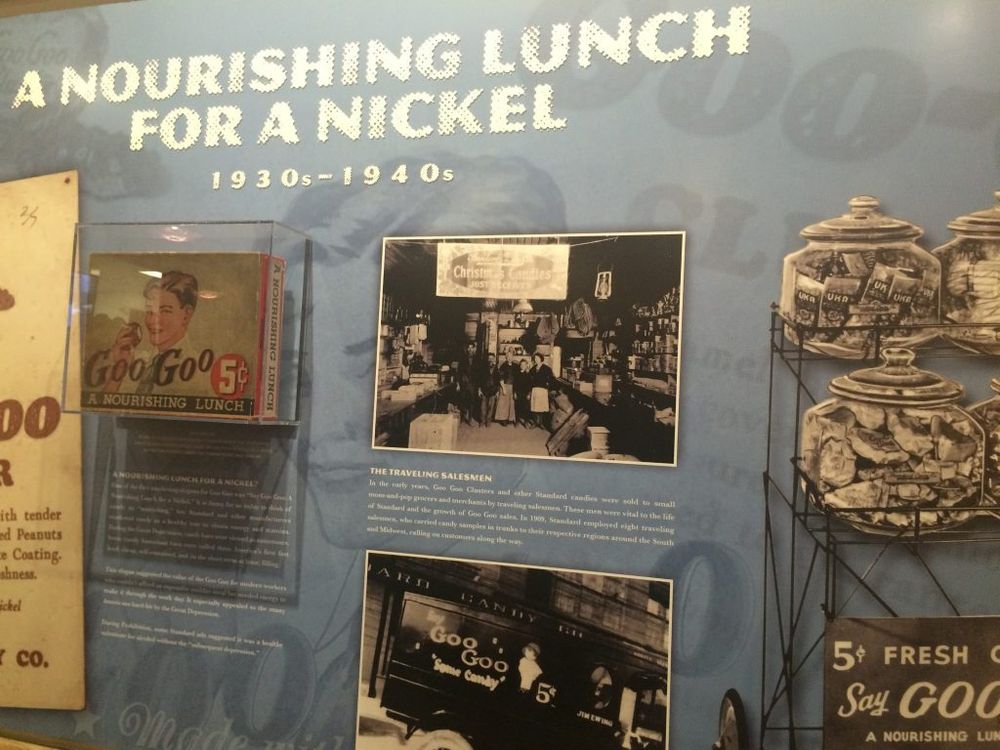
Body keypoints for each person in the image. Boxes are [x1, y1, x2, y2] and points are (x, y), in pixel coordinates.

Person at [103, 270, 200, 394]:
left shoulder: (198, 371)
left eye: (165, 311)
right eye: (149, 311)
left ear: (187, 314)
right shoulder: (136, 361)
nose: (153, 320)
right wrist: (119, 369)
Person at [456, 342, 480, 425]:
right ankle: (462, 418)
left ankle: (470, 419)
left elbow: (479, 373)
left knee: (472, 401)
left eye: (471, 348)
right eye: (468, 348)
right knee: (463, 400)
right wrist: (458, 384)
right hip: (464, 383)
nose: (470, 349)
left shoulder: (478, 359)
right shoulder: (462, 358)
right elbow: (459, 372)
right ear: (467, 349)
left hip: (473, 384)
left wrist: (478, 386)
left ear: (474, 349)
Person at [529, 353, 553, 430]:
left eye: (537, 358)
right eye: (535, 358)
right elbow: (530, 379)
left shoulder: (547, 369)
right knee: (535, 407)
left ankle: (541, 423)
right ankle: (536, 422)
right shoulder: (533, 369)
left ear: (541, 359)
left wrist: (547, 386)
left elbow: (551, 379)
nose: (536, 359)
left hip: (542, 390)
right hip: (535, 390)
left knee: (542, 407)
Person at [478, 353, 501, 427]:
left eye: (492, 358)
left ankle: (488, 422)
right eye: (489, 358)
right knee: (483, 407)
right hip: (484, 390)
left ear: (494, 359)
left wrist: (497, 391)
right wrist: (479, 389)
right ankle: (482, 421)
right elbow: (479, 379)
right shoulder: (483, 368)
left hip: (493, 391)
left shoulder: (497, 369)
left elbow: (498, 381)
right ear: (487, 359)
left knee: (491, 407)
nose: (490, 360)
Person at [494, 351, 517, 426]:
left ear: (513, 357)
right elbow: (500, 378)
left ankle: (509, 418)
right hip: (505, 386)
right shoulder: (503, 366)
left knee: (511, 403)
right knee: (503, 404)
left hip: (512, 386)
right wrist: (503, 388)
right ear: (506, 357)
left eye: (511, 356)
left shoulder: (515, 366)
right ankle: (503, 419)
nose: (510, 357)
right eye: (508, 356)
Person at [514, 358, 532, 427]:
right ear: (520, 365)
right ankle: (517, 421)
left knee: (526, 408)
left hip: (525, 393)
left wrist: (529, 394)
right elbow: (515, 384)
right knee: (517, 407)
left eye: (524, 364)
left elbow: (530, 385)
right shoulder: (517, 373)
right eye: (521, 364)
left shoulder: (528, 374)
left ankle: (526, 422)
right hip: (518, 393)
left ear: (526, 365)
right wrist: (514, 393)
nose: (522, 366)